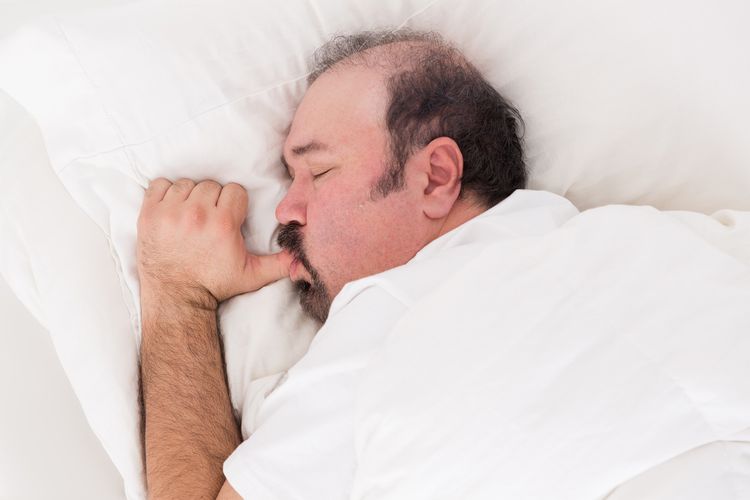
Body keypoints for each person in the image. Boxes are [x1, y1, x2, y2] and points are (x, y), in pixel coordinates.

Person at [136, 28, 544, 499]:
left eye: (320, 171)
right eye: (291, 179)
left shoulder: (392, 318)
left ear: (435, 177)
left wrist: (178, 294)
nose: (285, 210)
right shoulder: (614, 232)